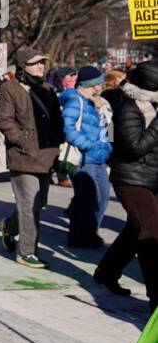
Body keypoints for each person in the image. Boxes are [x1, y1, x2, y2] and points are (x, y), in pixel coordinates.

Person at [95, 60, 158, 307]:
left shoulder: (151, 105)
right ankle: (156, 295)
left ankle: (107, 272)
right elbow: (136, 146)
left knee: (136, 228)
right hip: (131, 178)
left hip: (151, 176)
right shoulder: (128, 108)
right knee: (151, 232)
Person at [0, 47, 64, 269]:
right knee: (29, 205)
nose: (41, 66)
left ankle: (9, 225)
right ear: (24, 65)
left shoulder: (47, 88)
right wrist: (24, 141)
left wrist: (59, 139)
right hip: (23, 156)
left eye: (42, 62)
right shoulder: (10, 88)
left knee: (39, 202)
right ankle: (26, 252)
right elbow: (5, 121)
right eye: (35, 63)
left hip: (47, 156)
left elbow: (57, 119)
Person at [60, 66, 112, 248]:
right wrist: (88, 145)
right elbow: (68, 128)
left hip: (100, 157)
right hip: (84, 158)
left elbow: (108, 128)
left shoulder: (98, 102)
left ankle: (90, 232)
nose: (101, 85)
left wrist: (108, 146)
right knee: (87, 198)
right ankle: (79, 236)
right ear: (93, 83)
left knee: (103, 197)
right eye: (99, 82)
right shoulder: (75, 101)